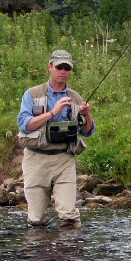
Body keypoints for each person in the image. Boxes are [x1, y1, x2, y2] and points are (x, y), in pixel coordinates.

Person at [16, 49, 95, 227]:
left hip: (64, 160)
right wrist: (53, 112)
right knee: (36, 220)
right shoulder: (32, 94)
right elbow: (24, 125)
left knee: (69, 216)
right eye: (60, 67)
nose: (63, 71)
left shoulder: (75, 97)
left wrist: (88, 115)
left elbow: (88, 131)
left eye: (67, 68)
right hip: (36, 159)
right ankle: (41, 245)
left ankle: (69, 245)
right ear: (50, 67)